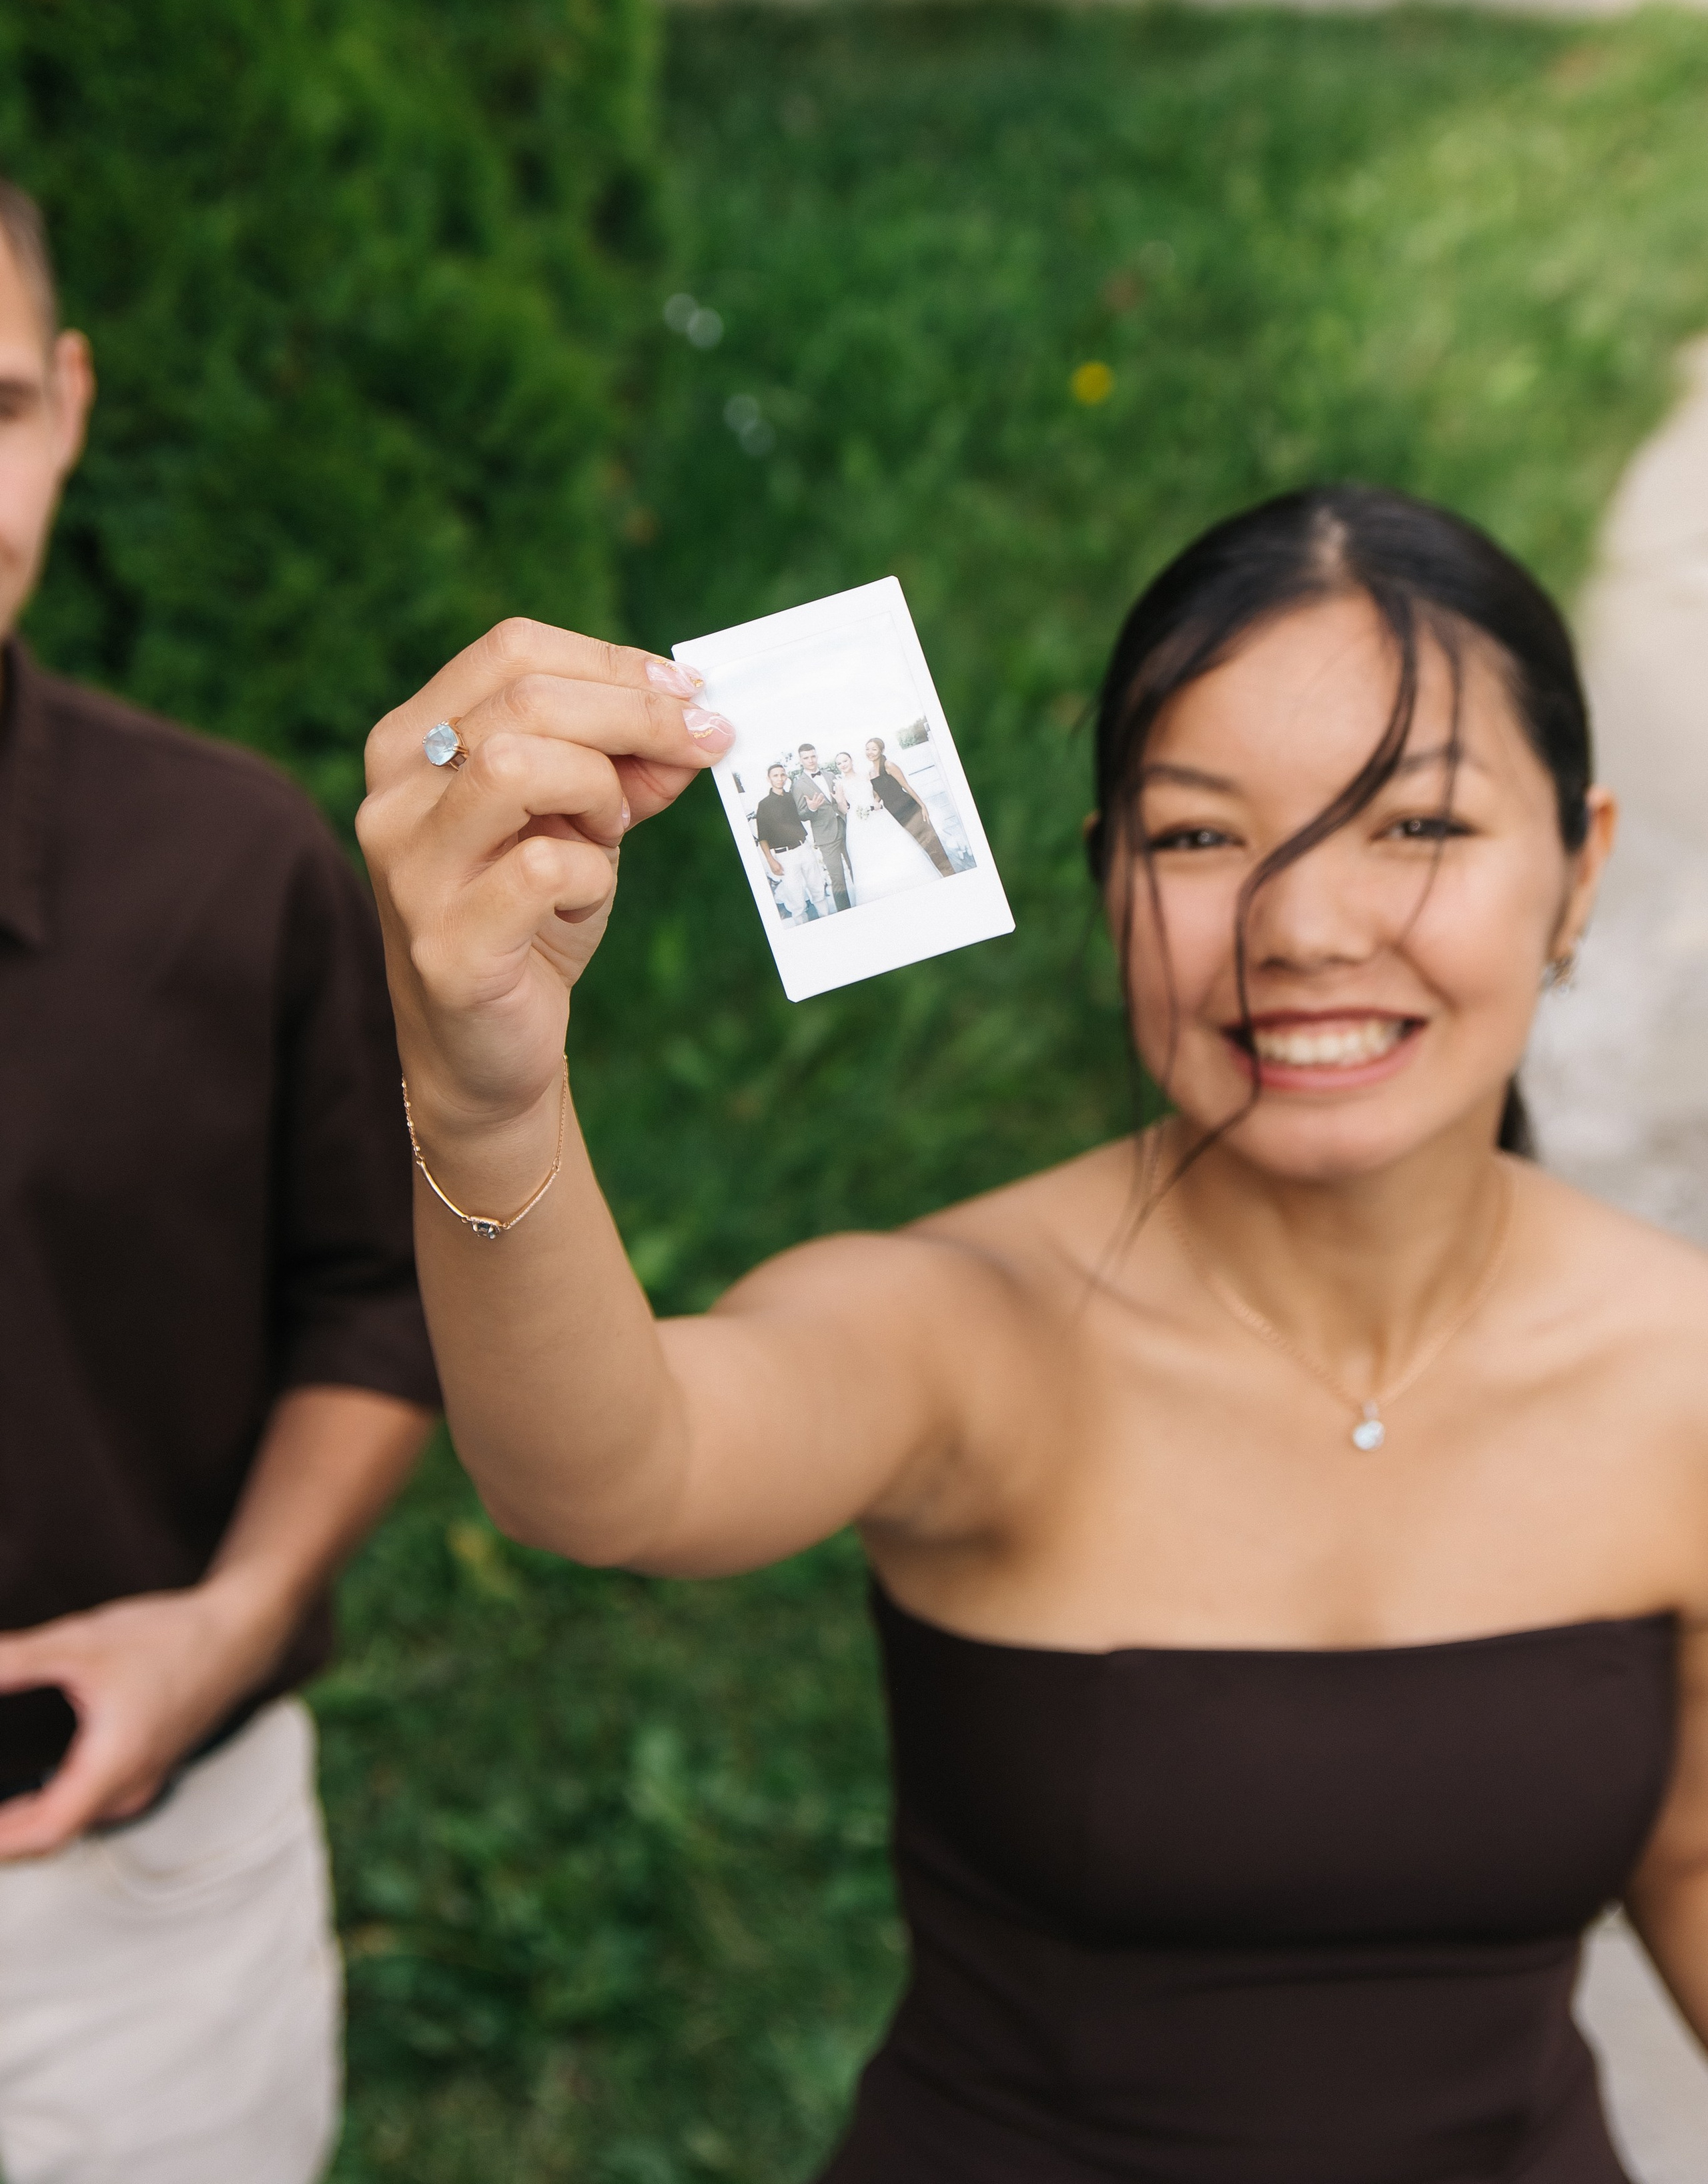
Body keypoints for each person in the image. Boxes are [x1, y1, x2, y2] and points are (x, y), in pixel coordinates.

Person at [357, 484, 1708, 2182]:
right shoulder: (969, 1328)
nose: (1302, 928)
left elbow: (1687, 1850)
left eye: (1414, 826)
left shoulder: (1679, 1368)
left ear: (1577, 867)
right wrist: (486, 1098)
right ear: (1105, 881)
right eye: (1196, 839)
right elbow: (613, 1470)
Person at [0, 180, 439, 2184]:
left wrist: (234, 1615)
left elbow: (376, 1290)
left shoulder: (228, 867)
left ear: (73, 404)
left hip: (137, 1903)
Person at [834, 747, 937, 905]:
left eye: (845, 761)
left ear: (851, 760)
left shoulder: (865, 775)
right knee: (870, 856)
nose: (843, 765)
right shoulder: (840, 784)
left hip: (878, 815)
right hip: (858, 821)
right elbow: (844, 809)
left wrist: (876, 802)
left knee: (893, 847)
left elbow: (877, 792)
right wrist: (839, 801)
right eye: (839, 763)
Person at [865, 735, 954, 875]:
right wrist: (875, 801)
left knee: (932, 845)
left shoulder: (889, 765)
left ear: (881, 750)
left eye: (874, 749)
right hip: (895, 814)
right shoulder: (870, 773)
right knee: (920, 848)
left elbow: (906, 786)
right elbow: (879, 793)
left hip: (910, 810)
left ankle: (950, 874)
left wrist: (923, 806)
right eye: (868, 749)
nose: (870, 752)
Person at [755, 759, 823, 923]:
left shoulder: (792, 797)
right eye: (775, 776)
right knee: (796, 899)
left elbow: (804, 816)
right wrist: (771, 861)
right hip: (785, 856)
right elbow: (762, 837)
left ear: (786, 777)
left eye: (782, 775)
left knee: (818, 889)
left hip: (804, 848)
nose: (780, 779)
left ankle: (826, 919)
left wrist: (812, 808)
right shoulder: (764, 805)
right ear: (769, 779)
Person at [791, 740, 851, 909]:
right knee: (838, 879)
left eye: (813, 756)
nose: (811, 760)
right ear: (801, 760)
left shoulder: (830, 776)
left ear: (817, 756)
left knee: (857, 868)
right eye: (806, 758)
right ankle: (846, 913)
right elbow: (801, 815)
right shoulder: (798, 785)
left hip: (846, 828)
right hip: (826, 837)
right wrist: (812, 808)